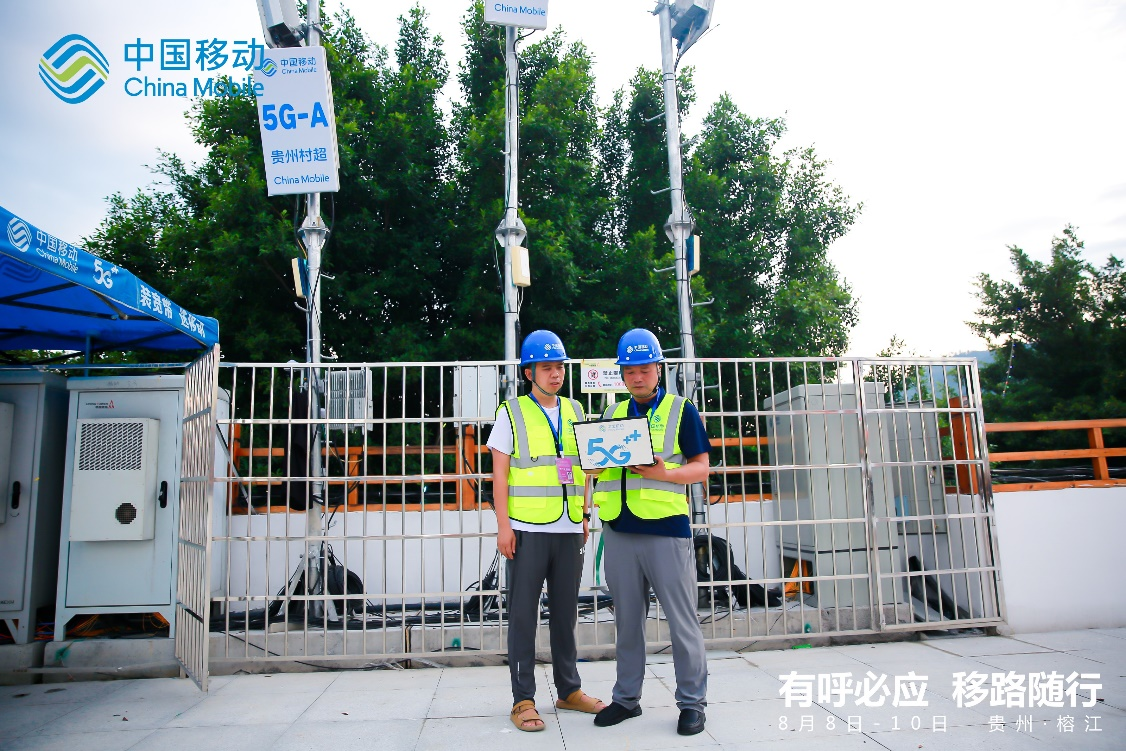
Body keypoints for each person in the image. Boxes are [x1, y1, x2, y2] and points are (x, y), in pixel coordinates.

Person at [590, 328, 711, 736]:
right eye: (630, 371)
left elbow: (701, 467)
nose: (637, 377)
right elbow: (599, 467)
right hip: (619, 530)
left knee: (682, 620)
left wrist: (666, 473)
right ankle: (627, 699)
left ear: (659, 369)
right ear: (622, 374)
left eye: (644, 369)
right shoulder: (611, 414)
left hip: (665, 531)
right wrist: (591, 465)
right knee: (627, 621)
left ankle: (692, 704)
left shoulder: (681, 410)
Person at [487, 330, 607, 732]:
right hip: (527, 529)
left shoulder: (575, 409)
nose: (556, 374)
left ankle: (569, 690)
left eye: (559, 367)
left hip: (570, 526)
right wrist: (503, 526)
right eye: (547, 368)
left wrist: (585, 515)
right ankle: (522, 700)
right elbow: (499, 475)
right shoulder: (511, 413)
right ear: (529, 373)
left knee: (566, 614)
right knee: (523, 615)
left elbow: (584, 467)